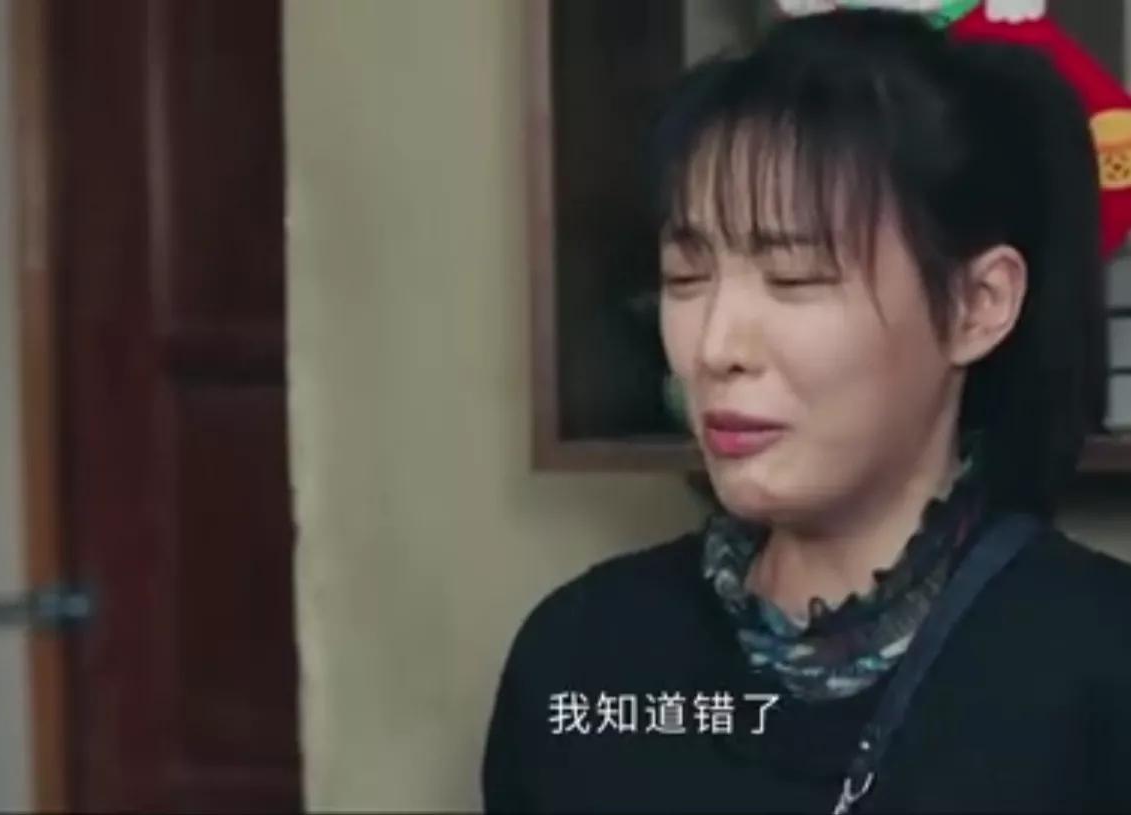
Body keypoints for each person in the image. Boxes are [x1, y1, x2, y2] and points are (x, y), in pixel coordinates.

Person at [482, 9, 1130, 813]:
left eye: (793, 278)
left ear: (977, 304)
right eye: (685, 277)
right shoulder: (580, 656)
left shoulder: (1099, 667)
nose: (715, 346)